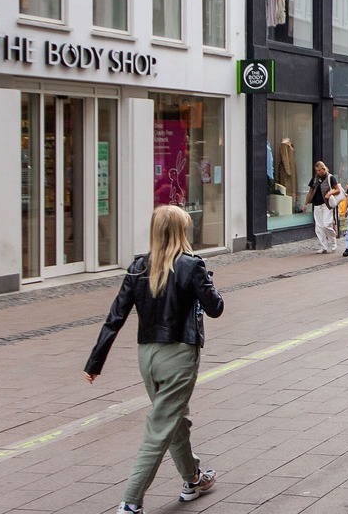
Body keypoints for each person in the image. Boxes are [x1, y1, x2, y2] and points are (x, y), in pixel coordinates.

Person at [84, 205, 225, 514]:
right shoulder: (191, 265)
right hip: (178, 355)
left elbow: (115, 317)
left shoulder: (137, 267)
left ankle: (193, 479)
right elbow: (215, 308)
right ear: (181, 232)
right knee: (161, 426)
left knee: (176, 421)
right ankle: (130, 502)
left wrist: (95, 363)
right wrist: (207, 281)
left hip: (147, 356)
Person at [306, 161, 341, 253]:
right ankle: (323, 246)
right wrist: (306, 203)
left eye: (319, 170)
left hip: (326, 205)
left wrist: (329, 193)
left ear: (323, 169)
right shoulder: (314, 179)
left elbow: (337, 189)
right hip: (316, 205)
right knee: (319, 227)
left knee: (326, 224)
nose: (318, 172)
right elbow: (310, 191)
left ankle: (333, 241)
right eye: (316, 171)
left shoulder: (330, 178)